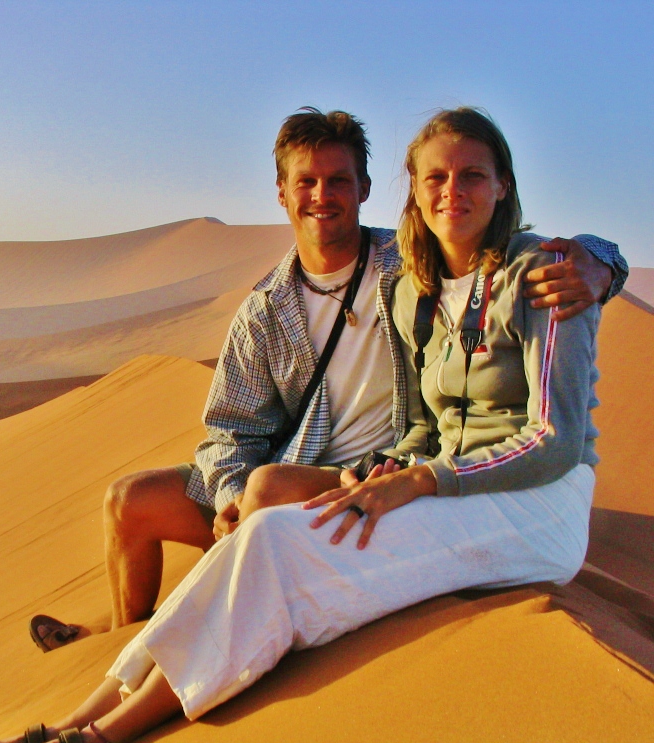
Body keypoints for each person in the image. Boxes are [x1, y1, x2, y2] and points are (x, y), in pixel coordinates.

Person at [0, 106, 616, 743]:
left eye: (472, 175)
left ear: (501, 185)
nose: (452, 192)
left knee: (276, 542)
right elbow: (248, 429)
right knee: (240, 522)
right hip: (395, 476)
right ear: (284, 193)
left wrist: (600, 261)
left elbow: (552, 438)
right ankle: (74, 719)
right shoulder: (383, 291)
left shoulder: (478, 271)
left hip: (524, 500)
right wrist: (373, 473)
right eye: (436, 177)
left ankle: (102, 740)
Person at [82, 107, 626, 638]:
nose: (323, 196)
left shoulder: (412, 261)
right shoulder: (265, 311)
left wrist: (601, 263)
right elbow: (230, 431)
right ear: (281, 191)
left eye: (339, 180)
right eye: (307, 182)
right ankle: (117, 644)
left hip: (373, 473)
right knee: (128, 502)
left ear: (365, 188)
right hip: (286, 471)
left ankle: (189, 646)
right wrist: (228, 498)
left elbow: (515, 254)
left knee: (270, 491)